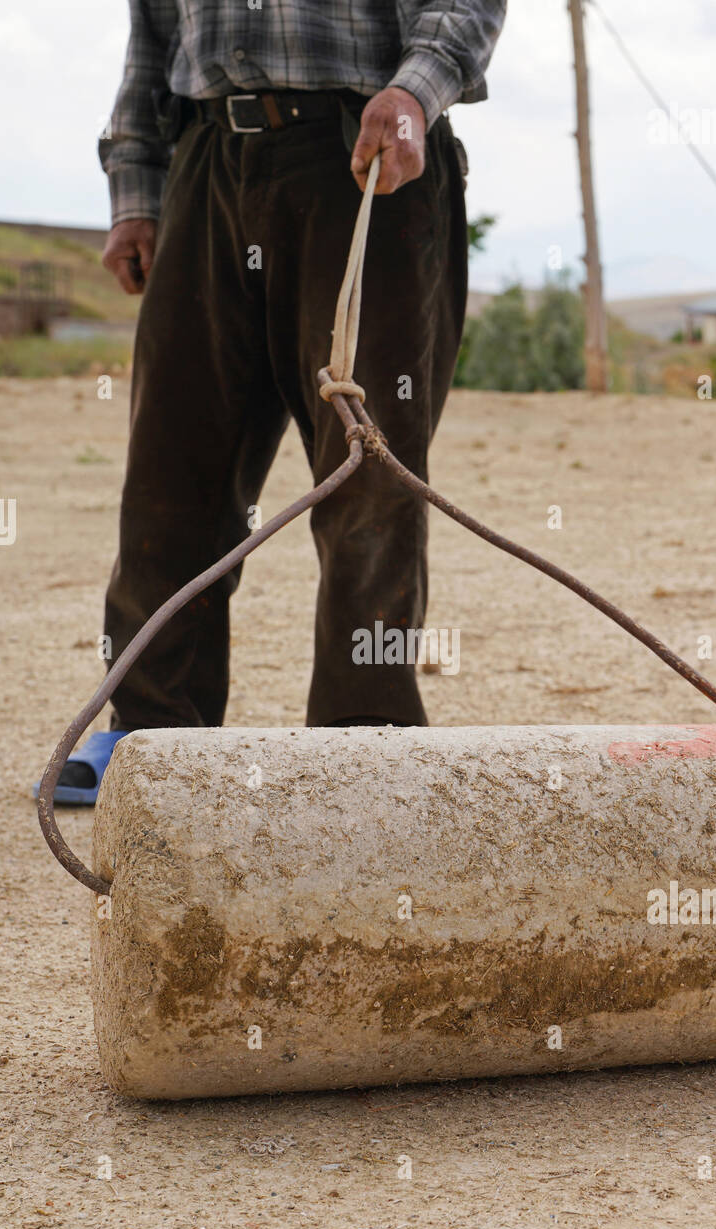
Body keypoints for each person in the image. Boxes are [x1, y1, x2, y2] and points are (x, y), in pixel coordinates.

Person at [44, 1, 505, 803]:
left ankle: (363, 747)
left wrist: (416, 91)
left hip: (362, 161)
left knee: (367, 477)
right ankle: (153, 733)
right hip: (206, 161)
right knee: (170, 467)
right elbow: (151, 38)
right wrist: (137, 189)